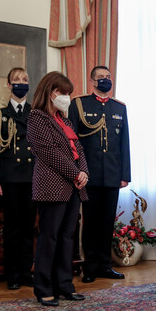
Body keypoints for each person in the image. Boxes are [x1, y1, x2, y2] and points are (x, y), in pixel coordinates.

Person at [27, 71, 89, 307]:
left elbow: (79, 150)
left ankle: (65, 285)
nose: (66, 97)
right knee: (49, 237)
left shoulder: (66, 120)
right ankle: (43, 288)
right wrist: (75, 173)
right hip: (52, 186)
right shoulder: (37, 118)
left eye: (68, 94)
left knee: (67, 238)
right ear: (50, 92)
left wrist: (84, 171)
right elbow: (50, 153)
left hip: (73, 187)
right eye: (63, 93)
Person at [68, 66, 131, 283]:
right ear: (92, 81)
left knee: (107, 222)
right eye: (100, 77)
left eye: (108, 77)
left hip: (112, 174)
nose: (105, 80)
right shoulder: (80, 104)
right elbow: (73, 142)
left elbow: (124, 144)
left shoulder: (119, 108)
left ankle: (105, 265)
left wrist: (125, 175)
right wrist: (76, 171)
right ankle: (90, 267)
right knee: (91, 222)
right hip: (89, 174)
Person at [0, 67, 36, 290]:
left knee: (28, 228)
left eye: (24, 80)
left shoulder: (36, 112)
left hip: (31, 178)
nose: (21, 83)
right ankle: (13, 274)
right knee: (13, 228)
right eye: (16, 80)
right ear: (9, 85)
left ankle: (27, 271)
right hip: (9, 179)